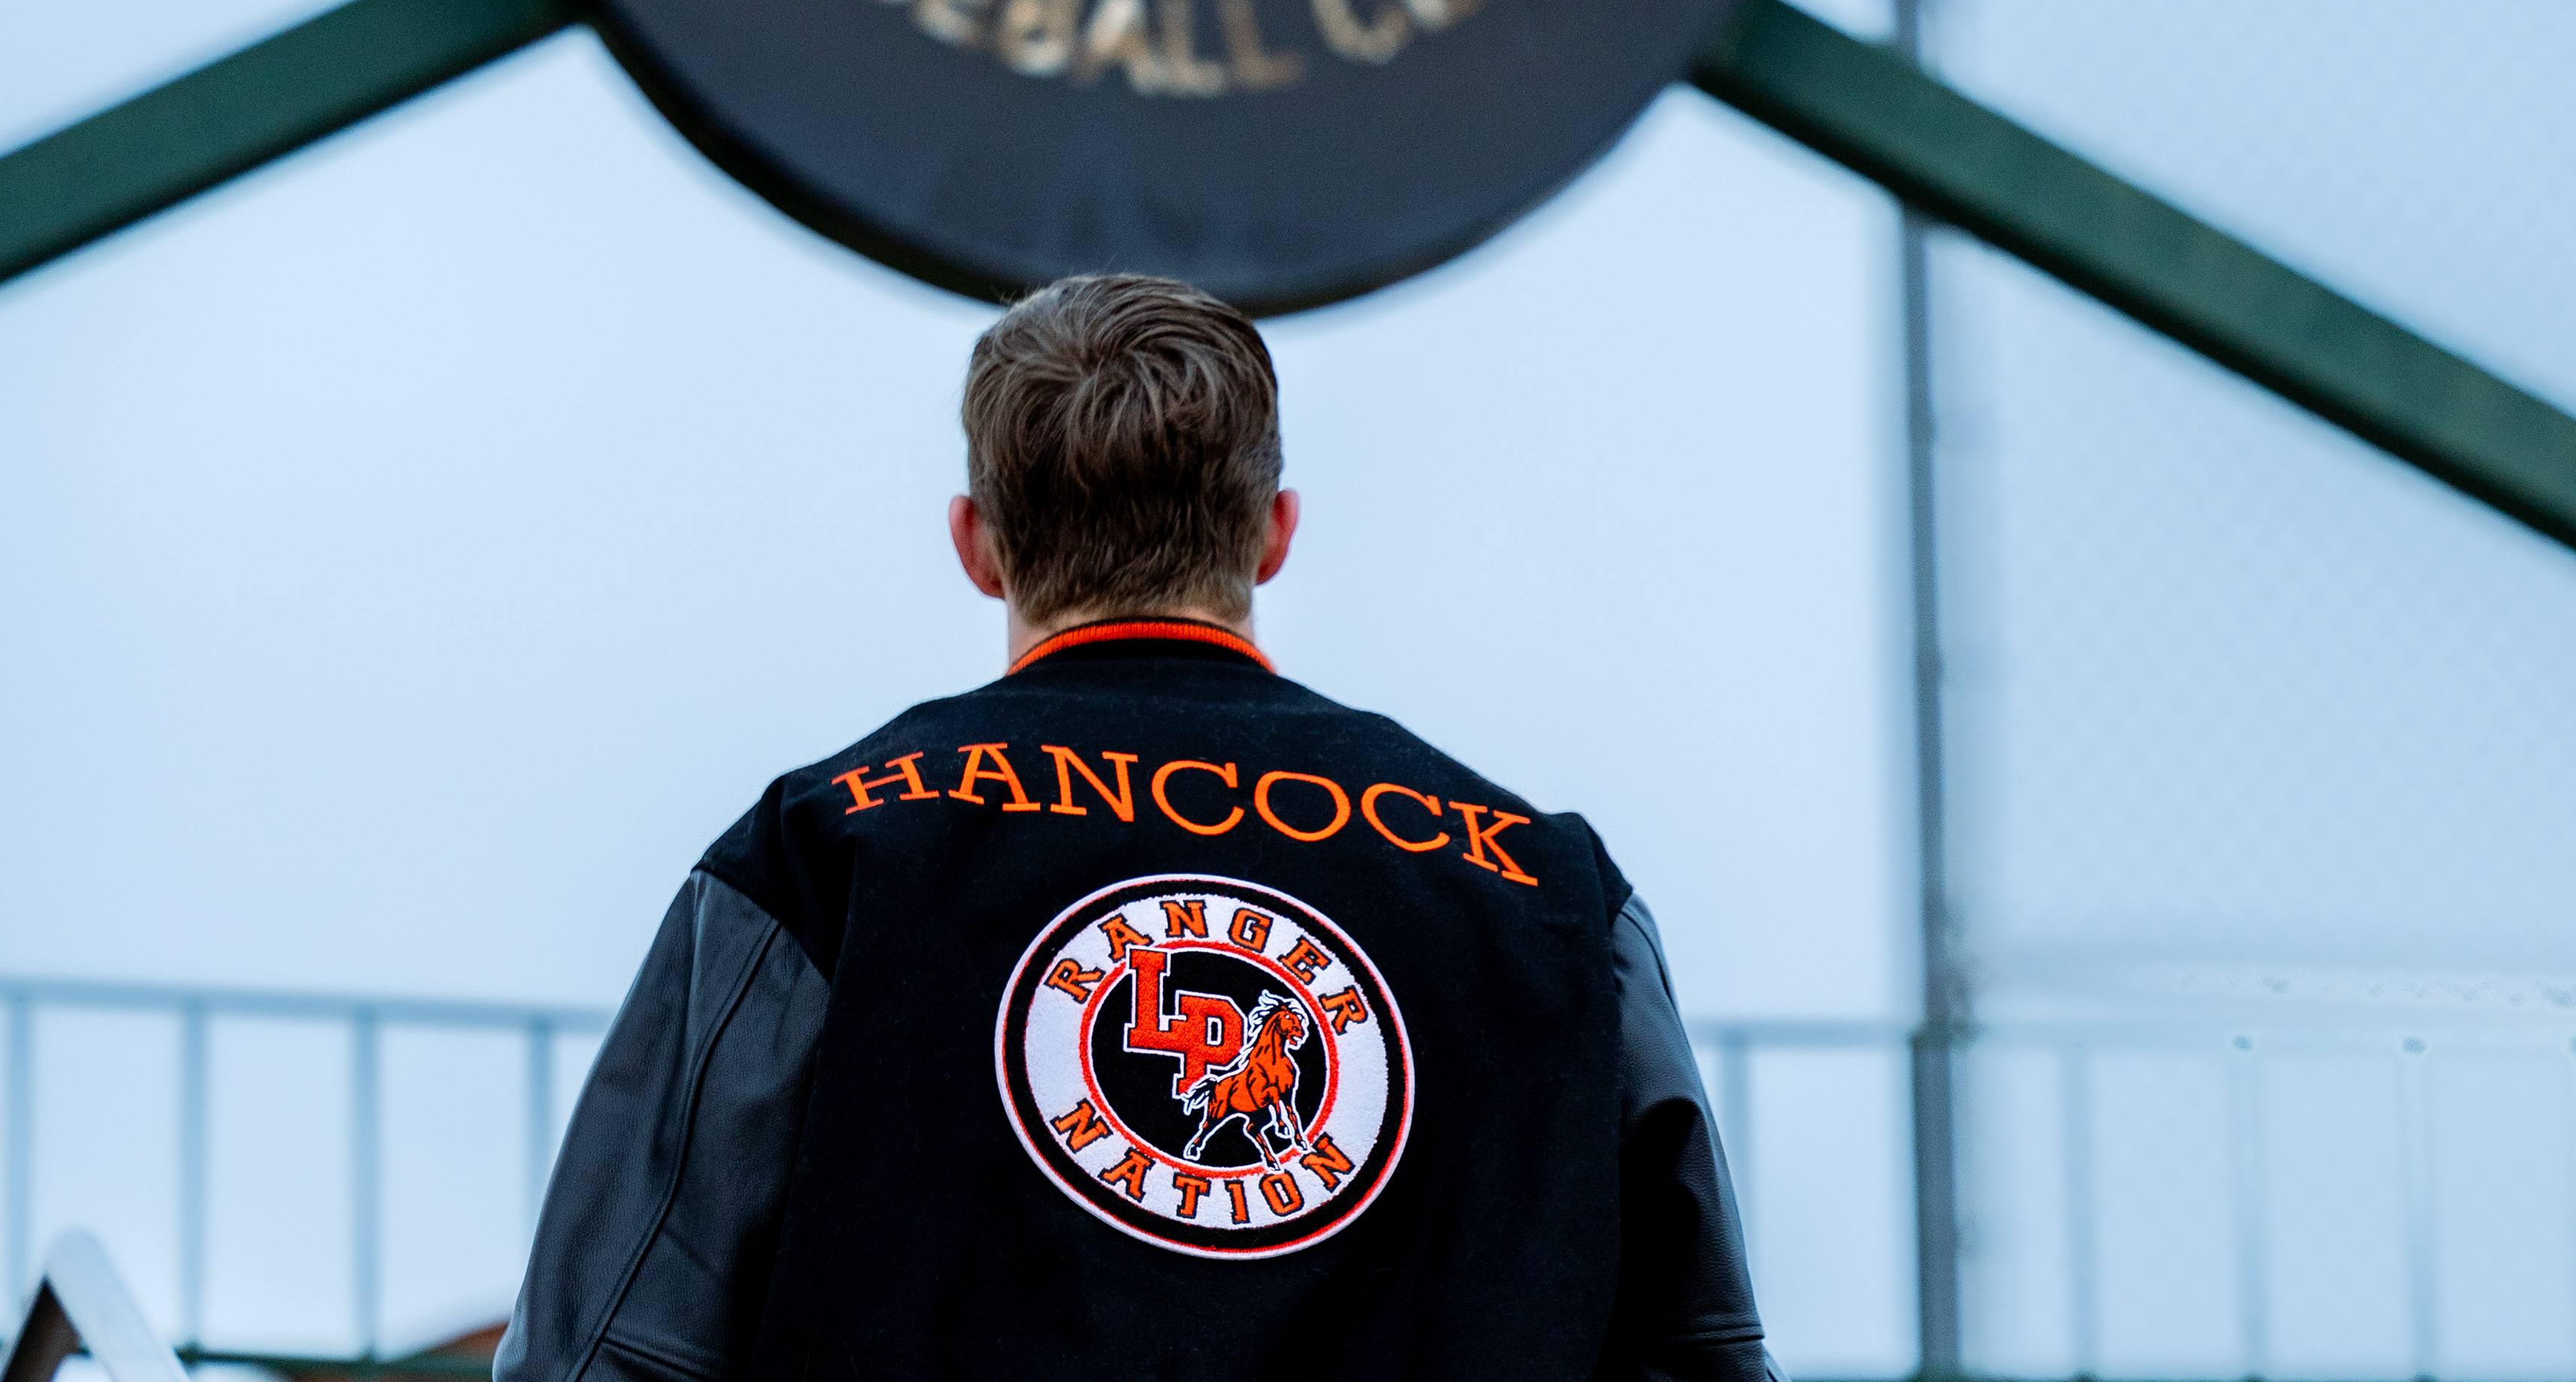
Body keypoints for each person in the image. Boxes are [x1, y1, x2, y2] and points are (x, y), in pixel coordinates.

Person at [496, 273, 1773, 1382]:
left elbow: (603, 1349)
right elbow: (1705, 1350)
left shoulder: (827, 852)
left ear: (978, 543)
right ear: (1272, 532)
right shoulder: (1548, 893)